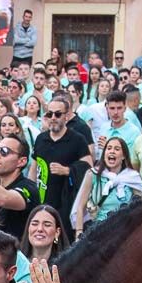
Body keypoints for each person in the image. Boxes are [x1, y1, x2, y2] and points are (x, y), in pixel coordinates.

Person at [33, 97, 92, 242]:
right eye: (49, 114)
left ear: (66, 116)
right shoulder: (40, 139)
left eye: (58, 114)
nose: (53, 118)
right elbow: (34, 169)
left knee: (65, 243)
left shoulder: (77, 139)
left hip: (67, 202)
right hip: (43, 200)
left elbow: (89, 166)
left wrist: (68, 170)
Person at [73, 137, 142, 231]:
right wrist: (79, 232)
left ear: (123, 156)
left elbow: (141, 206)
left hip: (124, 230)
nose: (112, 151)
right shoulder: (93, 174)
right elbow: (80, 207)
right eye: (109, 148)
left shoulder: (132, 177)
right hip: (99, 230)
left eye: (117, 149)